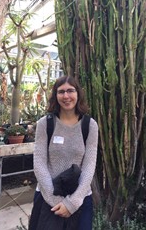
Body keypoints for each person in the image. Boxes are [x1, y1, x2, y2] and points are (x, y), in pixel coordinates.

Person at [31, 75, 98, 230]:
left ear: (78, 94)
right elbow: (39, 163)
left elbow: (89, 165)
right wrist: (56, 201)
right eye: (61, 92)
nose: (66, 96)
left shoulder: (89, 125)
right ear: (55, 95)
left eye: (70, 91)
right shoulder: (45, 124)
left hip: (79, 198)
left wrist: (72, 203)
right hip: (47, 197)